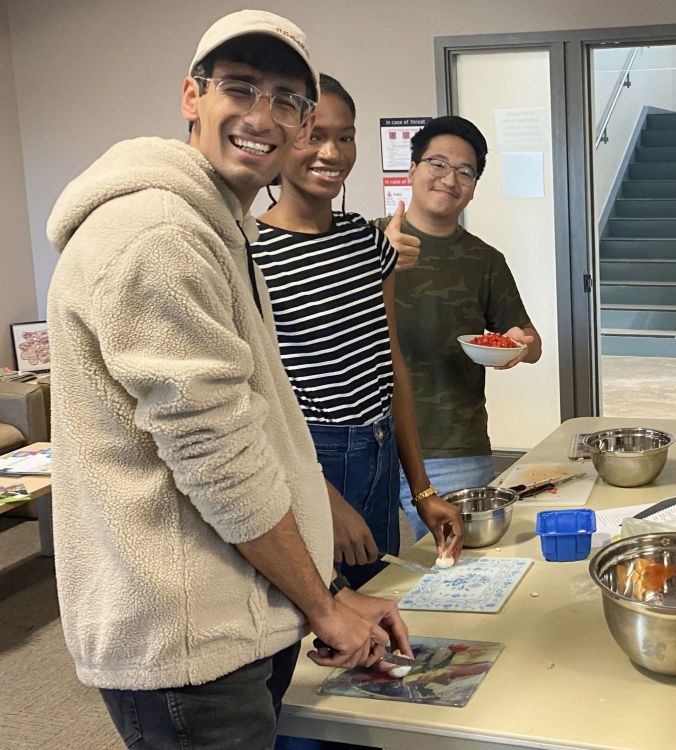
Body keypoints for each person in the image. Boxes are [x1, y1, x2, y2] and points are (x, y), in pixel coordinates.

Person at [45, 11, 411, 748]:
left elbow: (259, 432)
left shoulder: (219, 228)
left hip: (237, 608)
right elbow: (220, 462)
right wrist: (326, 605)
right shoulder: (161, 235)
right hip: (189, 644)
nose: (261, 116)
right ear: (192, 97)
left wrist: (332, 592)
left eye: (285, 100)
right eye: (239, 88)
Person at [252, 74, 463, 589]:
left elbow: (391, 364)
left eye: (345, 137)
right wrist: (326, 500)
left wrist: (422, 491)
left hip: (379, 451)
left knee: (378, 609)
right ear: (281, 136)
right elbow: (254, 406)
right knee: (311, 619)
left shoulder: (367, 241)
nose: (331, 152)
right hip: (308, 461)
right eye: (312, 134)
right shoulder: (250, 250)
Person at [370, 116, 543, 540]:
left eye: (465, 172)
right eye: (437, 164)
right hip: (366, 447)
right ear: (411, 170)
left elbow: (530, 340)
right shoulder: (366, 240)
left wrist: (521, 345)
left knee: (454, 568)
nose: (450, 179)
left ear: (474, 186)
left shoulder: (484, 260)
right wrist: (378, 262)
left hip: (453, 449)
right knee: (371, 575)